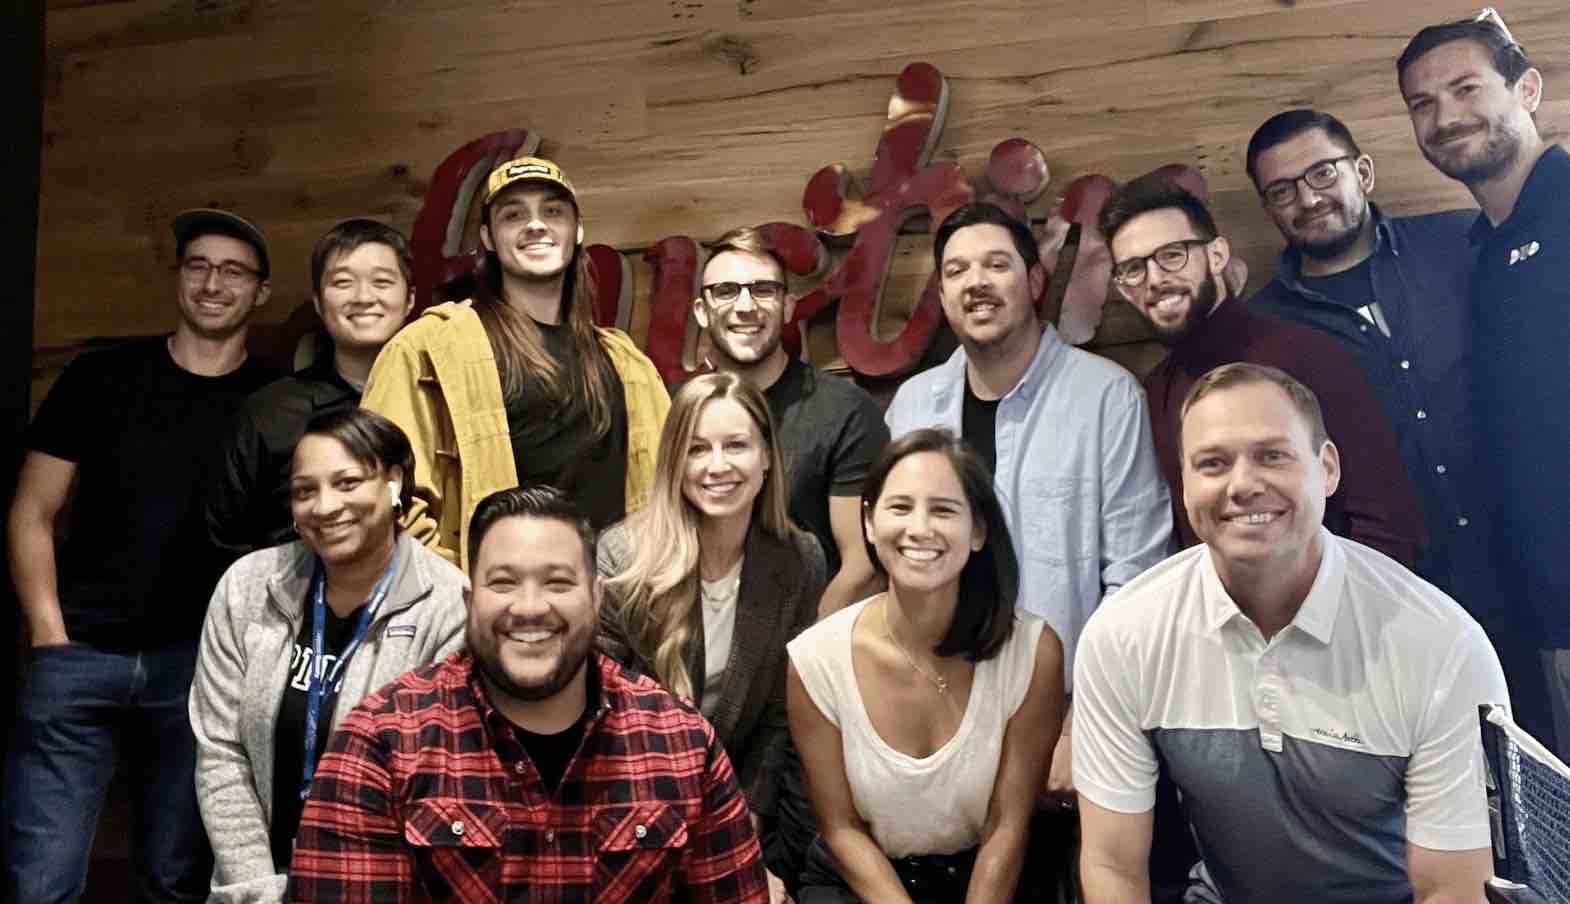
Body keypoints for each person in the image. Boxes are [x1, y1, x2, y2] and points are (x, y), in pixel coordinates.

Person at [1074, 363, 1510, 904]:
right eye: (1212, 463)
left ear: (1327, 468)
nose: (1242, 485)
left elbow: (1452, 891)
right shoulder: (1123, 636)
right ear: (1183, 485)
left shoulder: (1442, 647)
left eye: (1272, 455)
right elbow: (1112, 868)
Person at [286, 486, 769, 902]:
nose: (531, 607)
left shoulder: (682, 745)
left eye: (558, 582)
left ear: (597, 598)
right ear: (470, 602)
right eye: (504, 583)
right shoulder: (382, 744)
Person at [5, 208, 279, 902]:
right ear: (179, 278)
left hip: (199, 671)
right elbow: (32, 511)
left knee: (174, 877)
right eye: (198, 266)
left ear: (261, 293)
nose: (213, 283)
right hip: (79, 656)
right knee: (41, 882)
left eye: (234, 271)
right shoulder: (102, 377)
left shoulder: (273, 402)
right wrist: (48, 634)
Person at [883, 202, 1168, 842]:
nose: (976, 282)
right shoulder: (912, 406)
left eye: (996, 264)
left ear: (1034, 282)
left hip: (1069, 725)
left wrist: (1079, 726)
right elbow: (895, 572)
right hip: (940, 723)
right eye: (956, 270)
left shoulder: (1107, 396)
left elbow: (1137, 579)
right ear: (943, 294)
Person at [190, 408, 467, 902]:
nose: (325, 506)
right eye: (304, 491)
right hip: (256, 884)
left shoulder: (448, 606)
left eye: (347, 482)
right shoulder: (248, 587)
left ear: (394, 483)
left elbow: (434, 784)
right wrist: (259, 890)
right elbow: (220, 752)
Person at [787, 428, 1064, 903]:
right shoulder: (816, 660)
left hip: (993, 879)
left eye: (943, 510)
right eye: (900, 508)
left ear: (977, 531)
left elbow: (1008, 824)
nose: (919, 528)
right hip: (863, 884)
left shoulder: (1033, 652)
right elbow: (842, 829)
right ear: (870, 524)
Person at [1098, 173, 1425, 567]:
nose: (1154, 280)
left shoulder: (1307, 354)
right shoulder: (1157, 391)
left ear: (1216, 255)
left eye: (1172, 255)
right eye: (1133, 269)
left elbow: (1388, 526)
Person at [1399, 9, 1570, 761]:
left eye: (1466, 88)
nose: (1445, 117)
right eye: (1422, 104)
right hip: (1543, 617)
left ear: (1526, 88)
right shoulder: (1480, 250)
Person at [361, 156, 670, 567]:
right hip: (492, 609)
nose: (536, 224)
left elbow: (670, 493)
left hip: (614, 607)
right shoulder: (427, 348)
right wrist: (461, 593)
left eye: (553, 211)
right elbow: (379, 490)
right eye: (513, 214)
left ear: (577, 231)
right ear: (488, 237)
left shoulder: (627, 362)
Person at [598, 372, 825, 903]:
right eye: (697, 449)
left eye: (737, 445)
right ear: (675, 463)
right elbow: (603, 725)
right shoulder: (622, 560)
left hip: (743, 811)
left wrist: (741, 844)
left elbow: (778, 719)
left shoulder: (799, 561)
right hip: (628, 819)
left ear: (767, 456)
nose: (717, 466)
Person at [1244, 109, 1487, 606]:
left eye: (1323, 172)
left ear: (1364, 172)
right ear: (1268, 208)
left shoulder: (1463, 243)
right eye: (1282, 190)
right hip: (1391, 597)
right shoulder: (1262, 330)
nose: (1308, 199)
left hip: (1530, 566)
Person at [693, 227, 887, 617]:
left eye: (763, 290)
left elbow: (862, 565)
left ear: (788, 306)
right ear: (701, 310)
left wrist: (804, 655)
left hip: (810, 644)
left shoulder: (844, 410)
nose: (746, 306)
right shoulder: (676, 409)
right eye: (726, 290)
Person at [207, 218, 417, 559]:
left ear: (409, 300)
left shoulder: (440, 400)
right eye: (343, 282)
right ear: (319, 303)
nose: (363, 297)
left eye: (382, 282)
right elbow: (225, 538)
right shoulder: (270, 411)